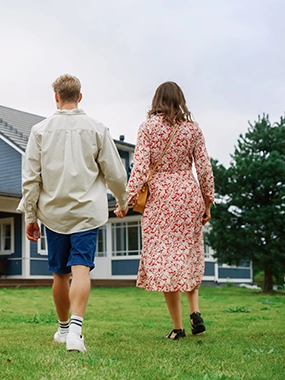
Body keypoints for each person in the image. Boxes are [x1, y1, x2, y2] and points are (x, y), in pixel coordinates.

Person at [20, 74, 129, 352]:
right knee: (81, 268)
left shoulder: (39, 131)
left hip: (54, 214)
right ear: (80, 97)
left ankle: (64, 328)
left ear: (56, 97)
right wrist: (122, 200)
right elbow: (115, 173)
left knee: (59, 274)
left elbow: (31, 179)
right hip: (86, 213)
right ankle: (76, 333)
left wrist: (30, 217)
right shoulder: (97, 129)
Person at [117, 81, 214, 340]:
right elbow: (204, 169)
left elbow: (138, 169)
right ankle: (195, 311)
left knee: (167, 261)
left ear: (156, 100)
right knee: (188, 255)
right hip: (188, 194)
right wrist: (207, 202)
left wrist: (125, 200)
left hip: (161, 198)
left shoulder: (147, 128)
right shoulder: (193, 129)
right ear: (180, 100)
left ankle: (178, 327)